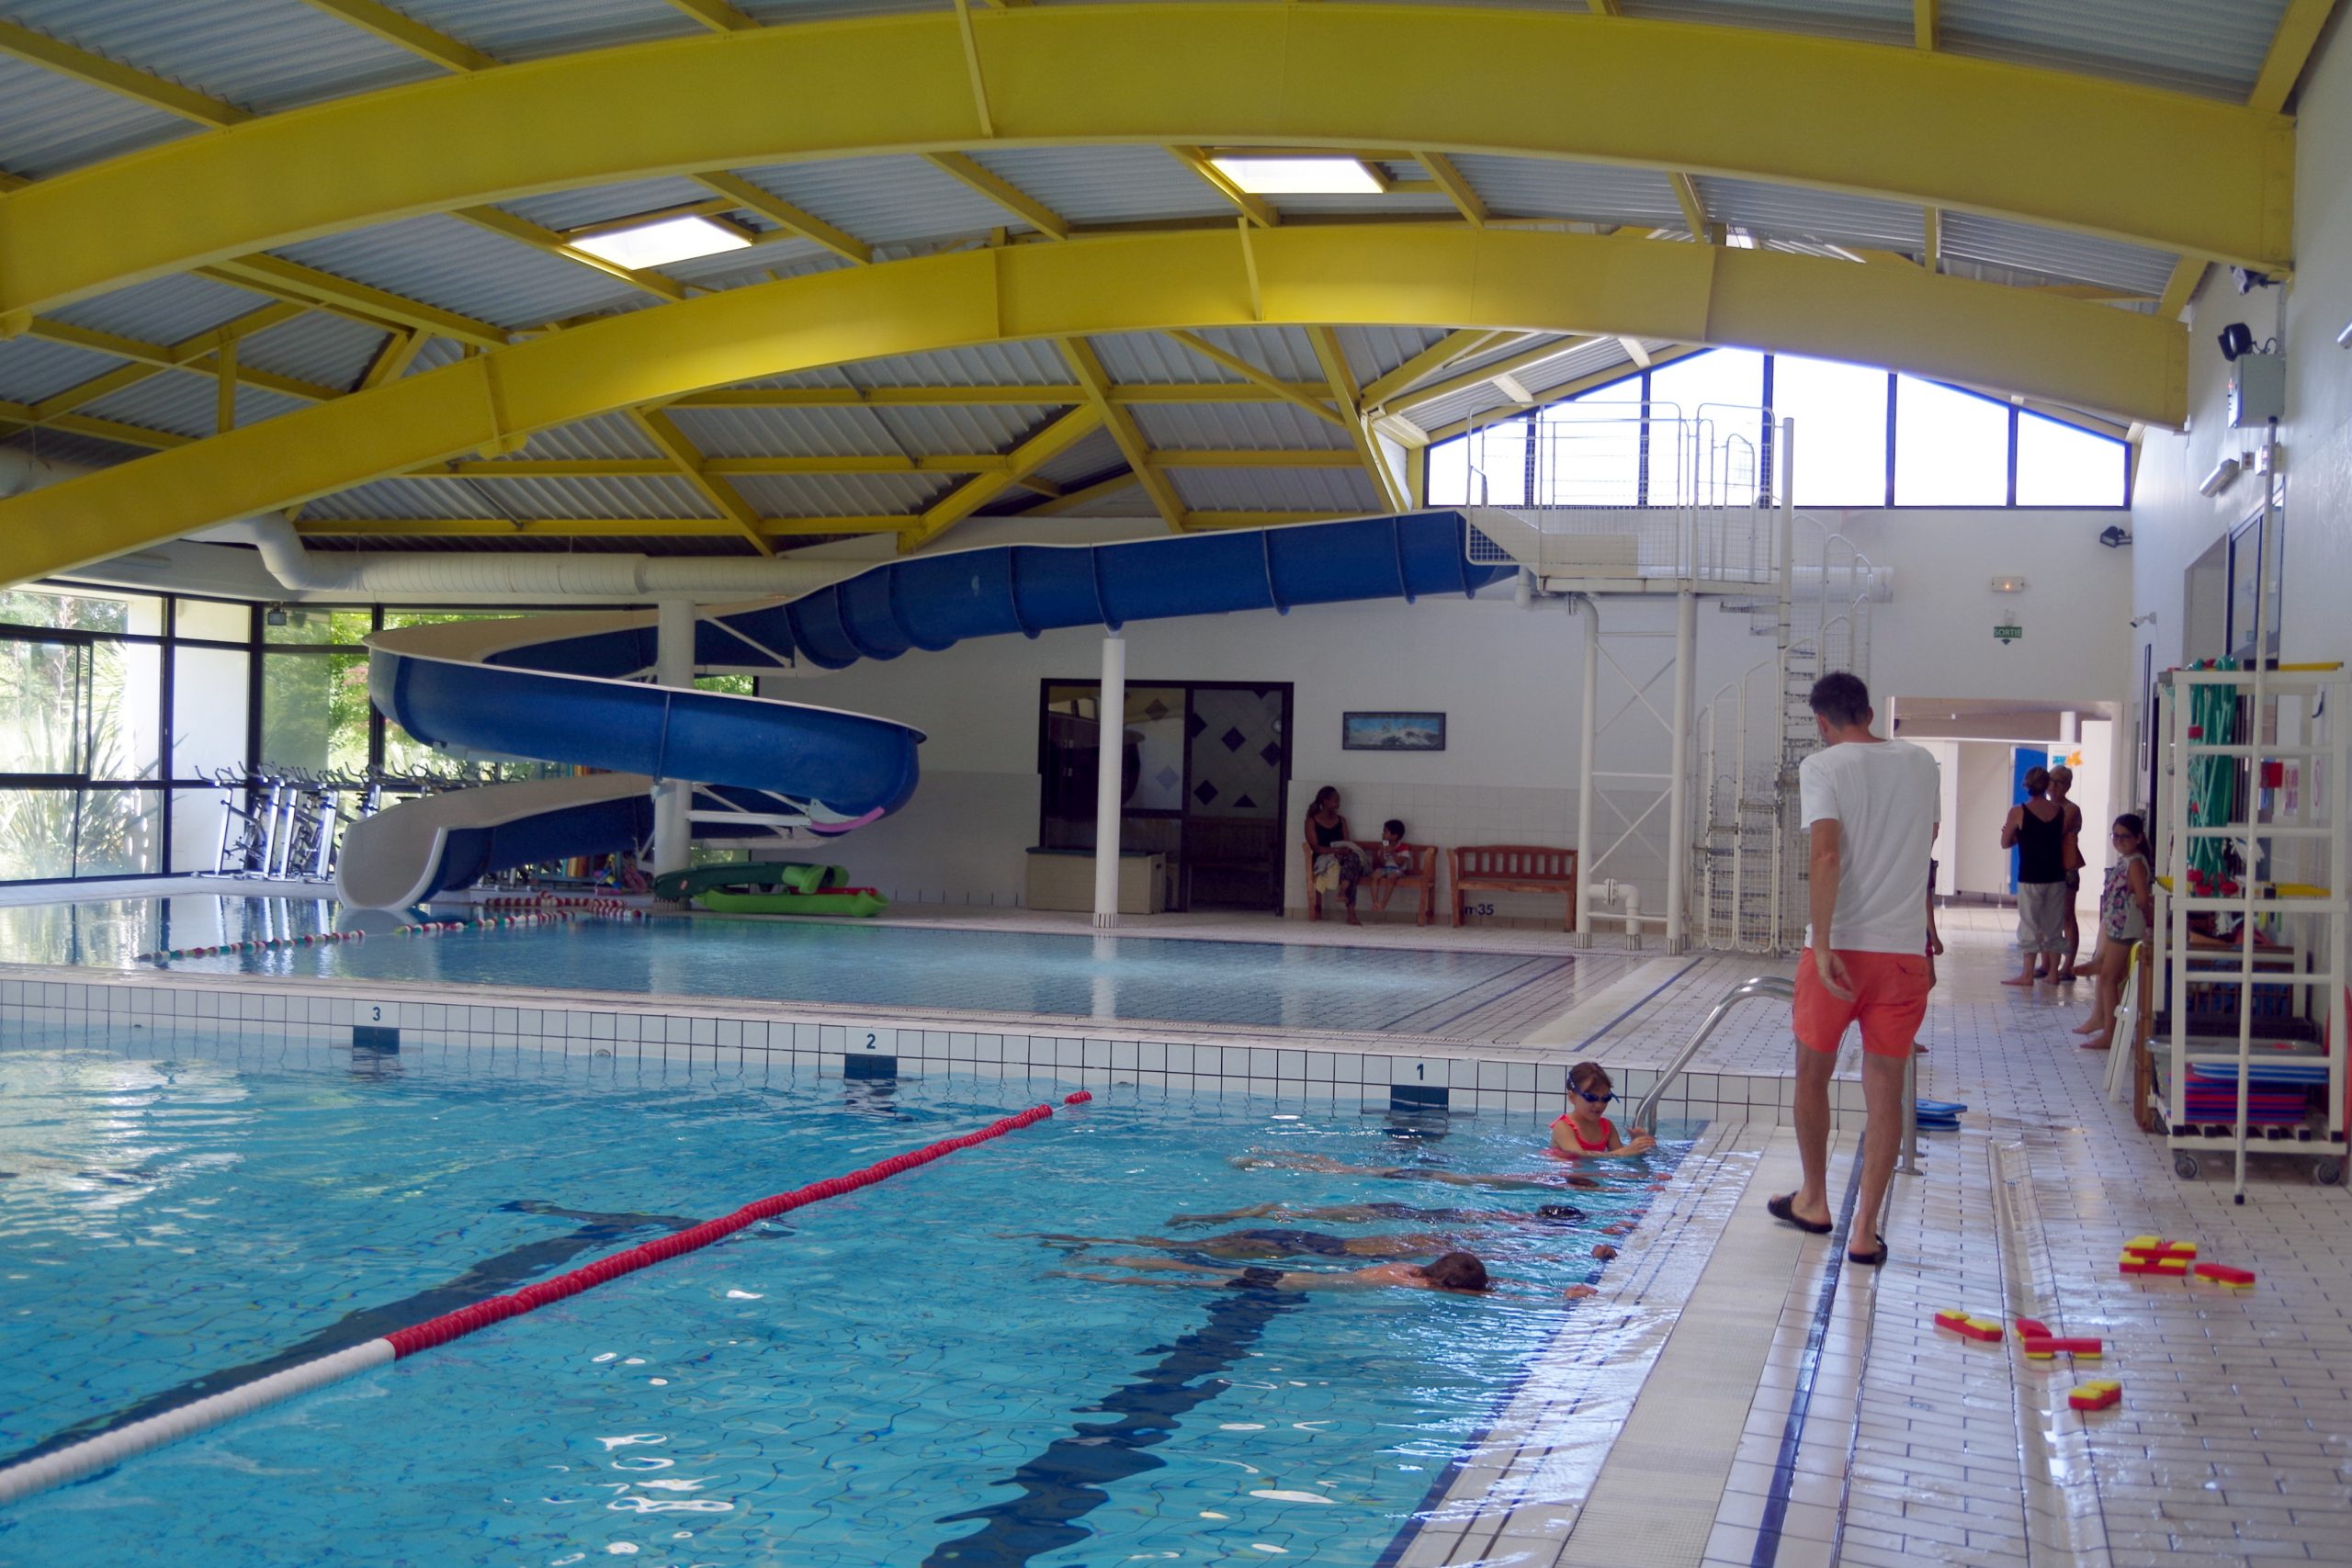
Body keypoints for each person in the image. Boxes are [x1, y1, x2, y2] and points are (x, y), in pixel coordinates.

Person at [1767, 671, 1939, 1269]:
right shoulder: (1922, 764)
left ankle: (1814, 1199)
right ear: (1869, 710)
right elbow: (1923, 848)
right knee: (1885, 1091)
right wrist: (1926, 933)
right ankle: (1865, 1230)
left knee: (1812, 1075)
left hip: (1840, 951)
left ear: (1822, 721)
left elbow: (1826, 852)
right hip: (1903, 953)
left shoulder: (1824, 766)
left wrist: (1821, 945)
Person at [2074, 814, 2153, 1052]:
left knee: (2108, 979)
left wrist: (2149, 924)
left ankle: (2111, 1033)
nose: (2118, 840)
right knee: (2111, 978)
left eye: (2124, 836)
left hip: (2126, 927)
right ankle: (2109, 1027)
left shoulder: (2136, 863)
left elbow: (2141, 898)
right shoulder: (2127, 860)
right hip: (2118, 925)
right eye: (2115, 835)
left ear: (2138, 838)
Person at [1062, 1250, 1495, 1294]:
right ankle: (1094, 1278)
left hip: (1287, 1274)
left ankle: (1112, 1260)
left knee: (1183, 1268)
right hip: (1285, 1286)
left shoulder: (1408, 1269)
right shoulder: (1412, 1285)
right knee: (1178, 1282)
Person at [2001, 767, 2070, 987]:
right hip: (2055, 875)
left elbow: (2005, 842)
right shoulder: (2059, 812)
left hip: (2030, 875)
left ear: (2027, 784)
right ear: (2047, 784)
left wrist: (2017, 836)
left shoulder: (2018, 811)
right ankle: (2053, 974)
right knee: (2054, 925)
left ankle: (2027, 974)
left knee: (2029, 924)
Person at [1232, 1150, 1600, 1190]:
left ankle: (1275, 1156)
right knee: (1343, 1171)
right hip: (1424, 1176)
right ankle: (1273, 1158)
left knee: (1343, 1170)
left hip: (1422, 1174)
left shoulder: (1535, 1181)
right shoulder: (1540, 1181)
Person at [1039, 1226, 1464, 1261]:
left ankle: (1081, 1240)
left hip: (1289, 1239)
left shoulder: (1413, 1242)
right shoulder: (1407, 1264)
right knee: (1177, 1250)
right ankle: (1086, 1244)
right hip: (1277, 1249)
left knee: (1177, 1245)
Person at [1168, 1200, 1587, 1228]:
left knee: (1306, 1215)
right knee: (1296, 1215)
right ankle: (1242, 1213)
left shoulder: (1509, 1217)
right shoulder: (1509, 1221)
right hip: (1400, 1214)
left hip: (1408, 1213)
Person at [1549, 1062, 1658, 1158]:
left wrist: (1638, 1146)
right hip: (1562, 1176)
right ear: (1572, 1097)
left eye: (1606, 1098)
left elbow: (1622, 1159)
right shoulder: (1563, 1127)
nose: (1599, 1105)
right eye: (1591, 1098)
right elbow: (1578, 1155)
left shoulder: (1607, 1127)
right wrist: (1624, 1152)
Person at [1304, 785, 1369, 925]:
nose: (1338, 804)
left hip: (1343, 858)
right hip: (1324, 859)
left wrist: (1344, 850)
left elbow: (1346, 842)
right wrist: (1336, 851)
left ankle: (1343, 891)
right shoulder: (1311, 821)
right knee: (1351, 869)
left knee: (1353, 861)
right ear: (1325, 801)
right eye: (1335, 801)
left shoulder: (1341, 820)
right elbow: (1316, 848)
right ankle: (1351, 913)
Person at [2049, 764, 2086, 981]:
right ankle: (2048, 963)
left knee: (2066, 917)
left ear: (2068, 786)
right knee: (2047, 918)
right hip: (2049, 867)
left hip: (2066, 869)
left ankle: (2068, 965)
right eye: (2050, 781)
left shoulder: (2071, 810)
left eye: (2058, 782)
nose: (2053, 786)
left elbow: (2055, 832)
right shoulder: (2044, 807)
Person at [1365, 818, 1416, 914]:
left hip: (1397, 870)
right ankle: (1375, 903)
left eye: (1385, 831)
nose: (1382, 834)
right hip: (1385, 868)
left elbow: (1400, 863)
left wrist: (1392, 852)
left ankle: (1383, 904)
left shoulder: (1403, 847)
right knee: (1375, 875)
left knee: (1391, 876)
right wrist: (1383, 852)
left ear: (1395, 836)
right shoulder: (1384, 845)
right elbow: (1381, 863)